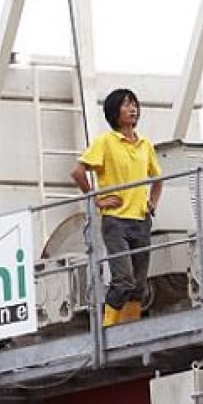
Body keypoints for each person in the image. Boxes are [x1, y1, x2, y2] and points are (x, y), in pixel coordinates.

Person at [70, 88, 162, 327]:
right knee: (124, 280)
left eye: (134, 104)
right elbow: (78, 172)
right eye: (126, 105)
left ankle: (130, 329)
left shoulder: (145, 145)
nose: (132, 109)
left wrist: (153, 202)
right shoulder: (105, 142)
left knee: (139, 284)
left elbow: (157, 177)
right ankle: (107, 327)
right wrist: (96, 199)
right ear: (114, 112)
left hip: (141, 220)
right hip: (116, 221)